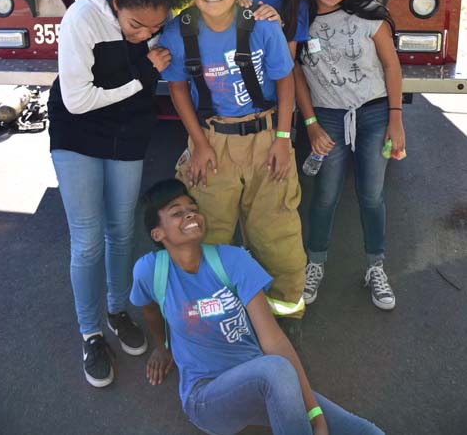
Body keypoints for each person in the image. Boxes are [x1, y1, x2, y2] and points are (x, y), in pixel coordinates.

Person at [131, 178, 385, 435]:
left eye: (193, 208)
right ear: (157, 233)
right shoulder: (151, 271)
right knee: (274, 369)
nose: (190, 214)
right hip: (206, 396)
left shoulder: (233, 260)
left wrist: (315, 414)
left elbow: (273, 339)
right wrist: (162, 347)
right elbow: (150, 308)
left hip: (262, 381)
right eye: (177, 213)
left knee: (367, 432)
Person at [48, 0, 184, 387]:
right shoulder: (84, 15)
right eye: (134, 24)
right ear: (116, 0)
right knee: (88, 240)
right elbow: (78, 99)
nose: (145, 34)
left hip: (127, 132)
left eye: (155, 26)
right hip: (78, 132)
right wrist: (145, 72)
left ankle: (117, 309)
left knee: (122, 230)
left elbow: (209, 8)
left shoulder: (154, 18)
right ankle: (90, 331)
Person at [158, 0, 307, 318]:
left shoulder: (262, 26)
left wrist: (283, 140)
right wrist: (199, 144)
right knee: (208, 231)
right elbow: (178, 88)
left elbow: (285, 79)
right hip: (213, 140)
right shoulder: (179, 32)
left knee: (276, 233)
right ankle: (216, 315)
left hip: (265, 138)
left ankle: (285, 310)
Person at [294, 0, 406, 310]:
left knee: (371, 195)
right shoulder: (296, 21)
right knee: (325, 196)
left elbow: (391, 66)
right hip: (328, 117)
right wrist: (310, 123)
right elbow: (294, 73)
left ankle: (375, 266)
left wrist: (395, 119)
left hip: (373, 115)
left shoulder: (368, 15)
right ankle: (315, 263)